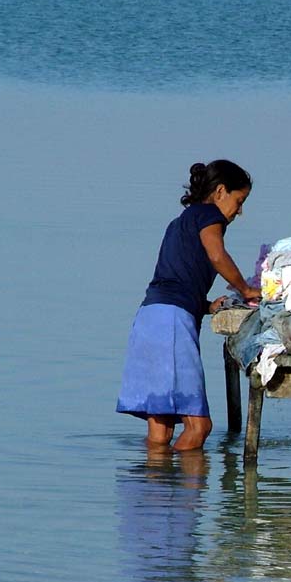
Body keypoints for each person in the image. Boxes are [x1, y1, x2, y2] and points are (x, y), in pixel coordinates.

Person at [116, 159, 261, 451]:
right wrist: (246, 289)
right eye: (239, 200)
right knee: (199, 426)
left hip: (149, 317)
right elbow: (217, 256)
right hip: (172, 322)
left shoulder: (179, 222)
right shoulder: (209, 216)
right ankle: (187, 495)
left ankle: (152, 491)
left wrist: (206, 306)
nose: (239, 211)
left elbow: (174, 277)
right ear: (221, 191)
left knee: (161, 428)